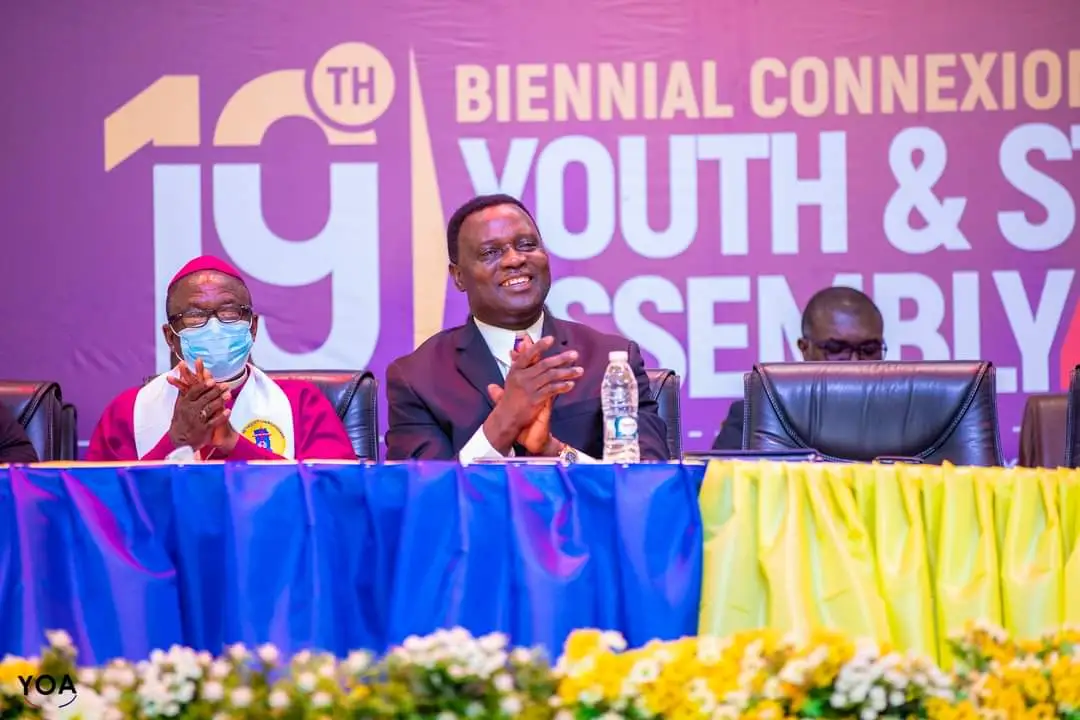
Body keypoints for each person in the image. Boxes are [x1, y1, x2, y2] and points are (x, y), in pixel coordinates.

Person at [385, 194, 669, 463]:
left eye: (526, 245)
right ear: (458, 276)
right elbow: (421, 498)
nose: (514, 259)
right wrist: (501, 425)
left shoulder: (611, 359)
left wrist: (554, 451)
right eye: (490, 252)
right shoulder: (417, 378)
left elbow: (649, 480)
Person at [87, 256, 356, 462]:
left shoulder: (301, 403)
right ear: (170, 337)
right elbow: (101, 513)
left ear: (253, 327)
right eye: (194, 315)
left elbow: (336, 498)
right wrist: (175, 441)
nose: (213, 327)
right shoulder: (126, 413)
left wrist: (233, 444)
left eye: (229, 312)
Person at [712, 286, 886, 450]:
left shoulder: (906, 416)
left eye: (869, 350)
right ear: (805, 348)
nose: (855, 362)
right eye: (835, 349)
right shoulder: (756, 417)